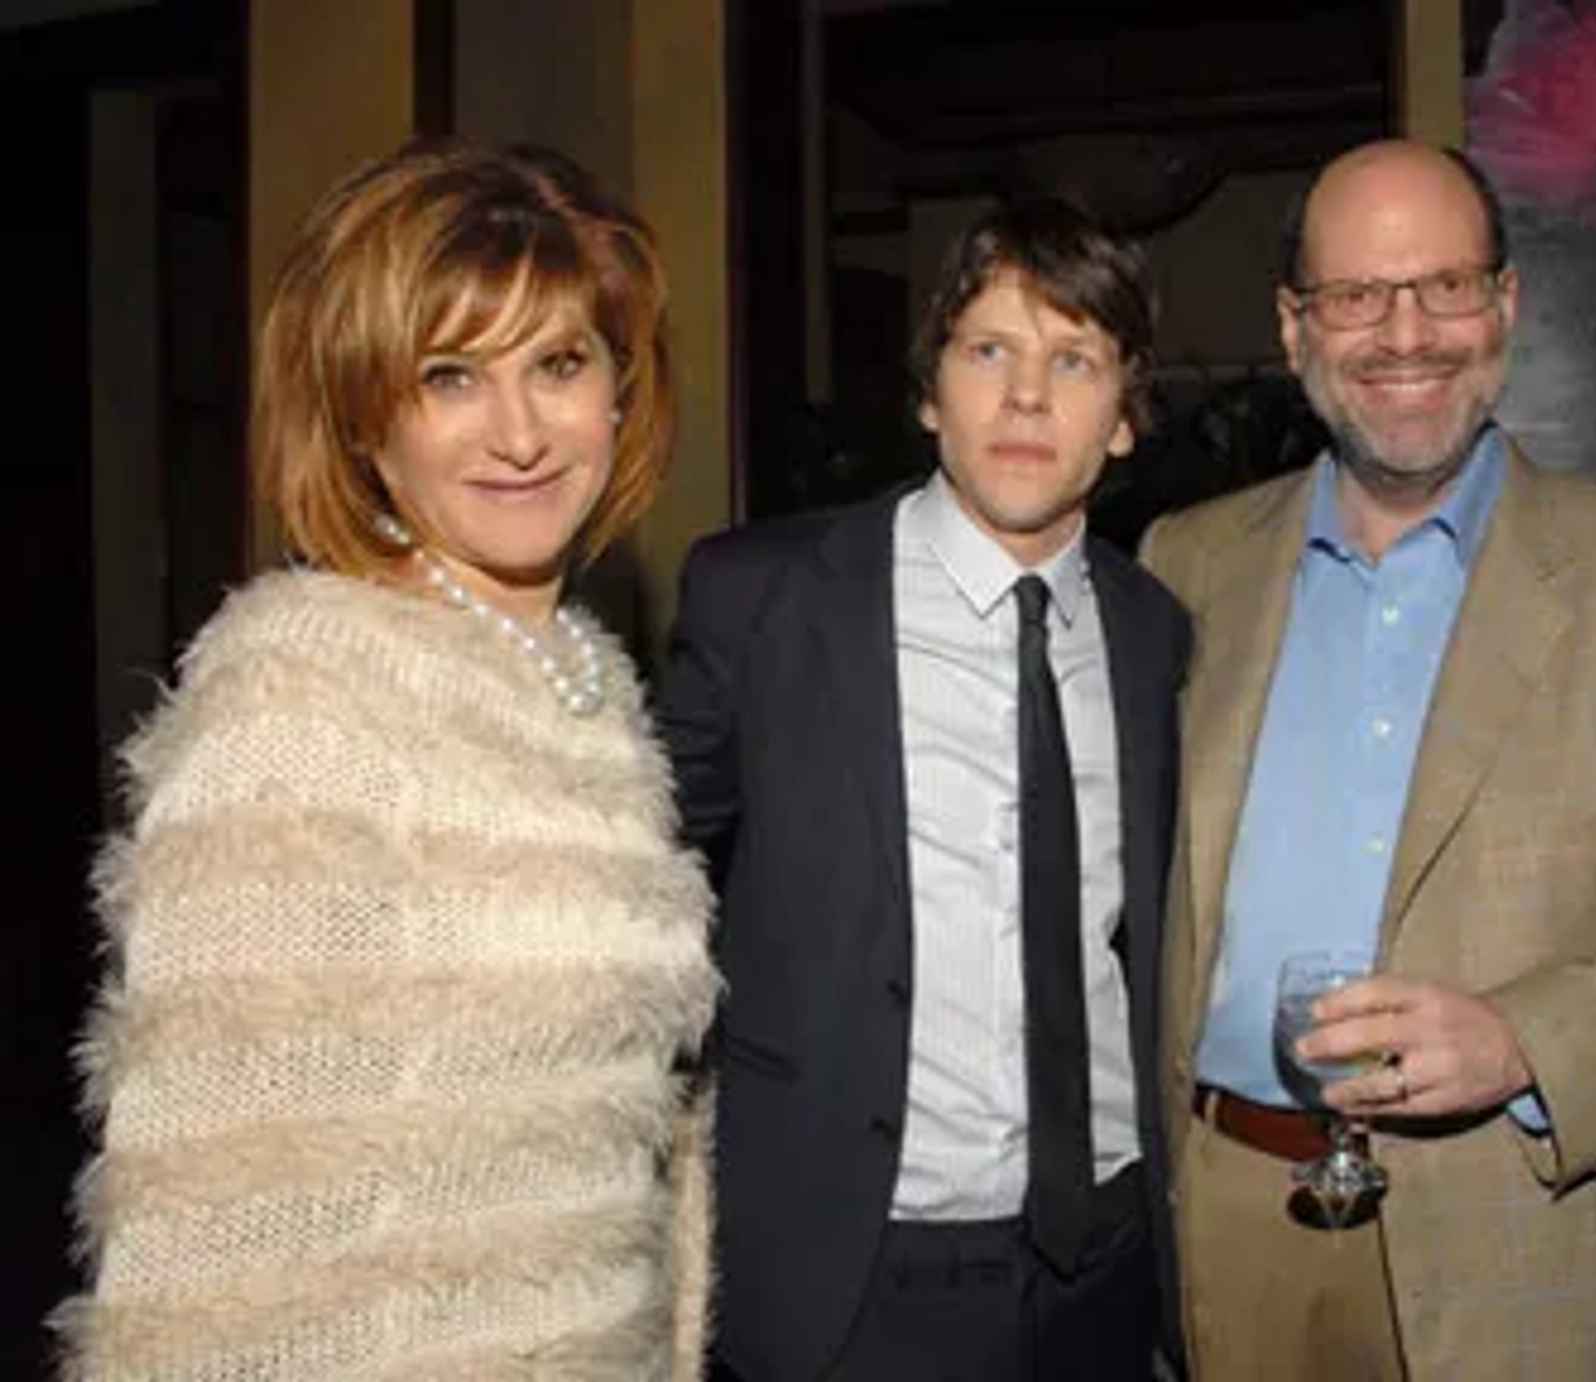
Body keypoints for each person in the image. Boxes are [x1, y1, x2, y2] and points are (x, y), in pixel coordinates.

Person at [1139, 138, 1596, 1381]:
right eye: (1357, 296)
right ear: (1293, 328)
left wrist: (1527, 1042)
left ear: (1507, 303)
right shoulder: (1186, 564)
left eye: (1445, 285)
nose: (1405, 332)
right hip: (1228, 1223)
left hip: (1543, 1238)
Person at [54, 140, 719, 1380]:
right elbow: (210, 1218)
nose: (520, 431)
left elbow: (628, 1142)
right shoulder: (298, 697)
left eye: (559, 364)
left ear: (620, 389)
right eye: (450, 376)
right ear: (366, 418)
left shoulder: (587, 678)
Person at [657, 197, 1189, 1381]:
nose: (1026, 396)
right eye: (987, 349)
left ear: (1125, 418)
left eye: (1074, 359)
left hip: (1108, 1262)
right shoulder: (765, 600)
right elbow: (636, 889)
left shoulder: (1159, 633)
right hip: (855, 1274)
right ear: (927, 390)